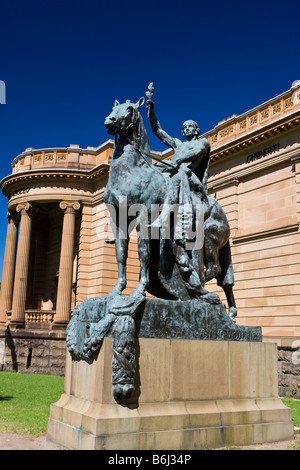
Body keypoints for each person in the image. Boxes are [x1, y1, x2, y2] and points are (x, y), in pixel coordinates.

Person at [147, 99, 211, 292]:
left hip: (191, 181)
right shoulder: (177, 144)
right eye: (184, 127)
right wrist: (151, 112)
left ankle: (164, 216)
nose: (186, 129)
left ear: (197, 130)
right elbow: (158, 131)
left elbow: (196, 153)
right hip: (175, 173)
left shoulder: (202, 142)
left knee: (177, 176)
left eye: (190, 126)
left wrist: (177, 162)